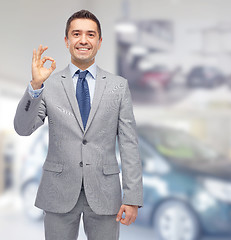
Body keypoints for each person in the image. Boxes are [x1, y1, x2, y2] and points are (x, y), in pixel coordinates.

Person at [13, 9, 143, 240]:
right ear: (67, 40)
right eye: (76, 34)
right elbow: (23, 129)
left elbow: (129, 144)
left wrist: (132, 197)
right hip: (58, 191)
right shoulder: (48, 85)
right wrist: (35, 86)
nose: (83, 40)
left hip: (105, 193)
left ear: (100, 41)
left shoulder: (118, 86)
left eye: (90, 35)